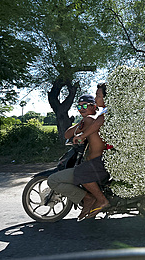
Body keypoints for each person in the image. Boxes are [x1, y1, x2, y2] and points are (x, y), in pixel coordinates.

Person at [47, 86, 109, 221]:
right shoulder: (95, 118)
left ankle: (90, 198)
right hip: (96, 161)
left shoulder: (90, 120)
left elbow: (68, 134)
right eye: (79, 107)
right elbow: (67, 133)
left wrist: (81, 134)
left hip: (96, 163)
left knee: (54, 180)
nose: (82, 109)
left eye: (85, 105)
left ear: (94, 106)